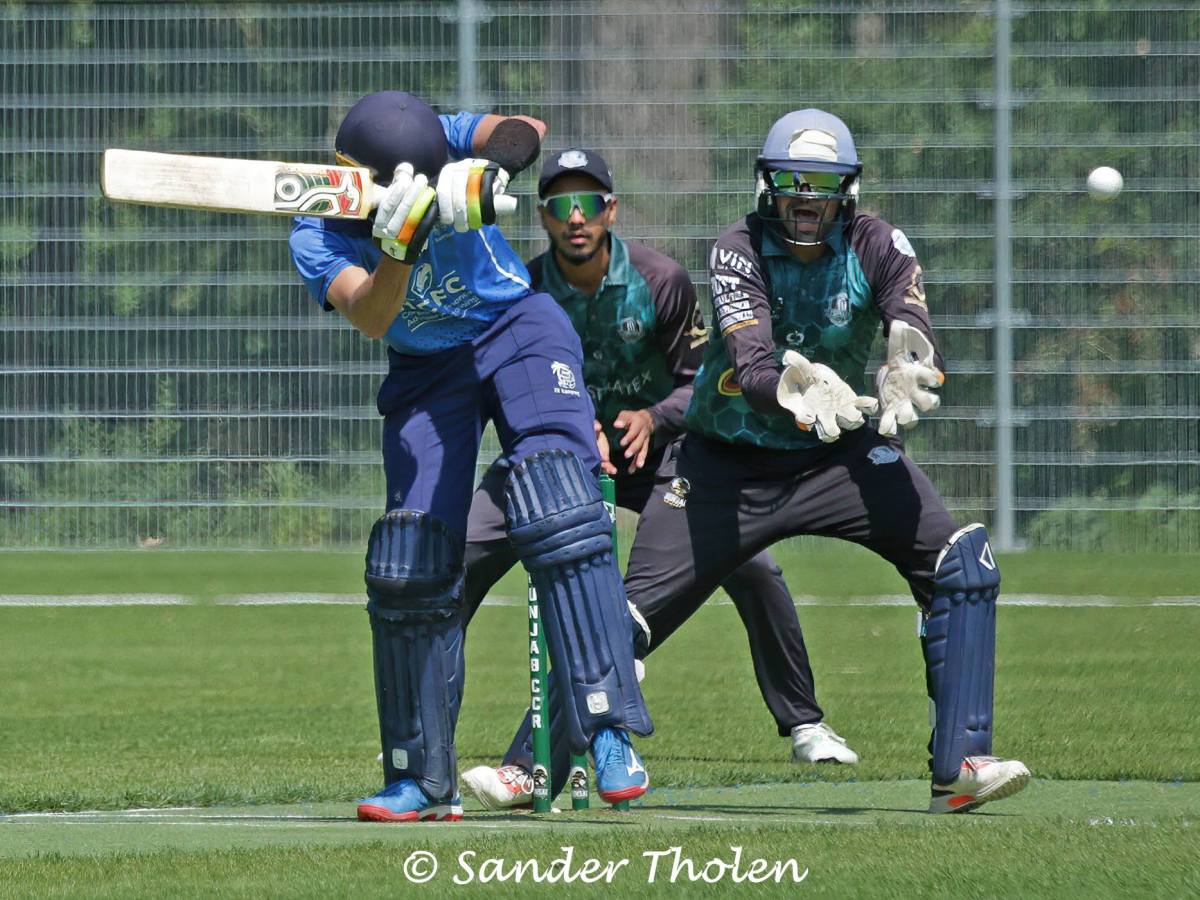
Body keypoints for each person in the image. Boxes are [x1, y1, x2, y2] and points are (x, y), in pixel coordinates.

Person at [604, 109, 1028, 813]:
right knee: (621, 620)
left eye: (824, 184)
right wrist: (791, 393)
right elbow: (751, 359)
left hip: (839, 450)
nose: (807, 197)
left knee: (961, 563)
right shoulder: (737, 246)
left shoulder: (879, 242)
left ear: (848, 190)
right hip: (723, 462)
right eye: (792, 181)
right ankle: (541, 762)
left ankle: (961, 762)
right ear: (767, 186)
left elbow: (910, 318)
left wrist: (907, 360)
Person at [288, 92, 653, 822]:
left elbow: (526, 132)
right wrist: (401, 246)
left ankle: (607, 727)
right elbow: (373, 314)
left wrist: (481, 172)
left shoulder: (441, 134)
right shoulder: (314, 231)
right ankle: (420, 778)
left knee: (561, 500)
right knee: (409, 560)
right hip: (426, 366)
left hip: (515, 326)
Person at [458, 148, 857, 811]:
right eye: (561, 207)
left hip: (659, 455)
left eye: (589, 204)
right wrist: (566, 426)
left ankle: (805, 721)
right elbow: (503, 385)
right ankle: (424, 733)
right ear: (544, 218)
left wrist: (650, 417)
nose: (576, 219)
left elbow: (700, 383)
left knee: (752, 565)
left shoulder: (661, 280)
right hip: (554, 455)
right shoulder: (521, 291)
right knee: (461, 553)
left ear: (611, 210)